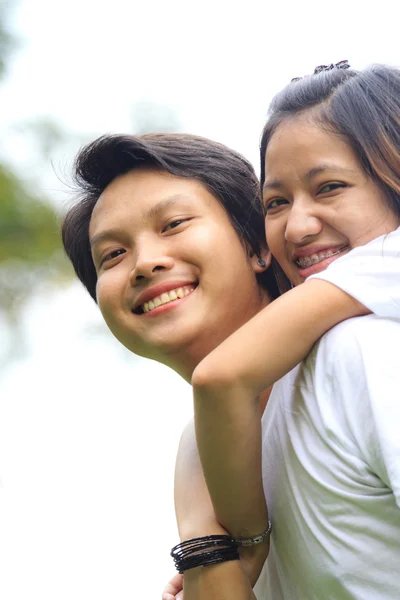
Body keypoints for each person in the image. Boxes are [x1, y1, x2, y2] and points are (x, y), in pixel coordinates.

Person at [60, 127, 397, 599]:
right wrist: (203, 541)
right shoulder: (206, 457)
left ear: (259, 246)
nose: (143, 264)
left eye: (174, 224)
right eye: (112, 255)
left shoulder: (358, 356)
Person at [168, 63, 400, 599]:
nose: (296, 227)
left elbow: (221, 376)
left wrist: (245, 542)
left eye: (331, 187)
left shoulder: (368, 342)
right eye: (276, 202)